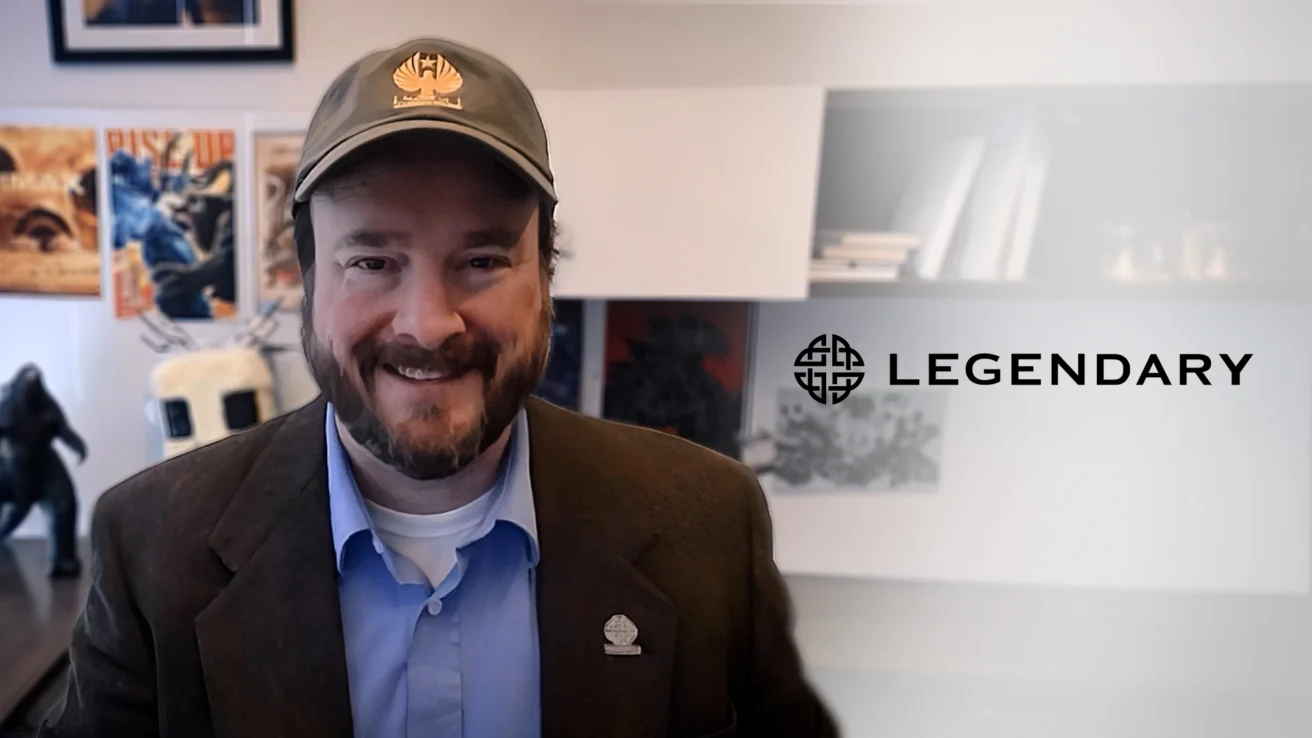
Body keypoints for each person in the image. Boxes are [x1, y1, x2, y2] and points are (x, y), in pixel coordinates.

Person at [40, 37, 839, 738]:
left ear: (545, 277)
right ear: (310, 280)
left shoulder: (708, 524)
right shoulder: (150, 547)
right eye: (372, 262)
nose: (428, 324)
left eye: (483, 261)